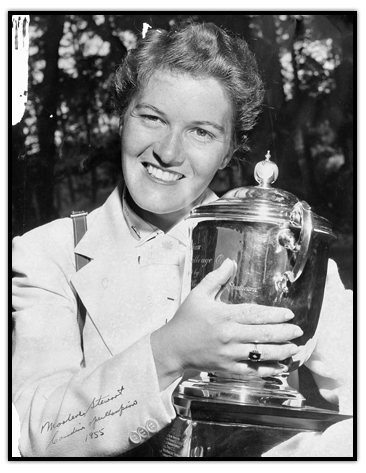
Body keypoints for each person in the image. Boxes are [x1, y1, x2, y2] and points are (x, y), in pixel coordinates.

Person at [12, 22, 352, 458]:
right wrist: (169, 351)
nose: (168, 152)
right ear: (122, 118)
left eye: (202, 132)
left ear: (230, 151)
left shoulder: (282, 244)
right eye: (152, 117)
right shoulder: (49, 252)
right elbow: (33, 432)